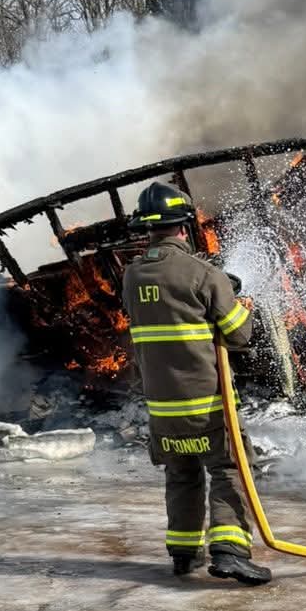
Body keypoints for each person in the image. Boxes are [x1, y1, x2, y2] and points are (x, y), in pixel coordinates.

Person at [121, 181, 273, 585]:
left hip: (161, 407)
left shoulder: (132, 277)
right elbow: (239, 335)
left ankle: (184, 554)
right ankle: (229, 552)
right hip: (206, 402)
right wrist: (241, 305)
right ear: (185, 227)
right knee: (230, 469)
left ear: (147, 229)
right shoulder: (205, 274)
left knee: (182, 474)